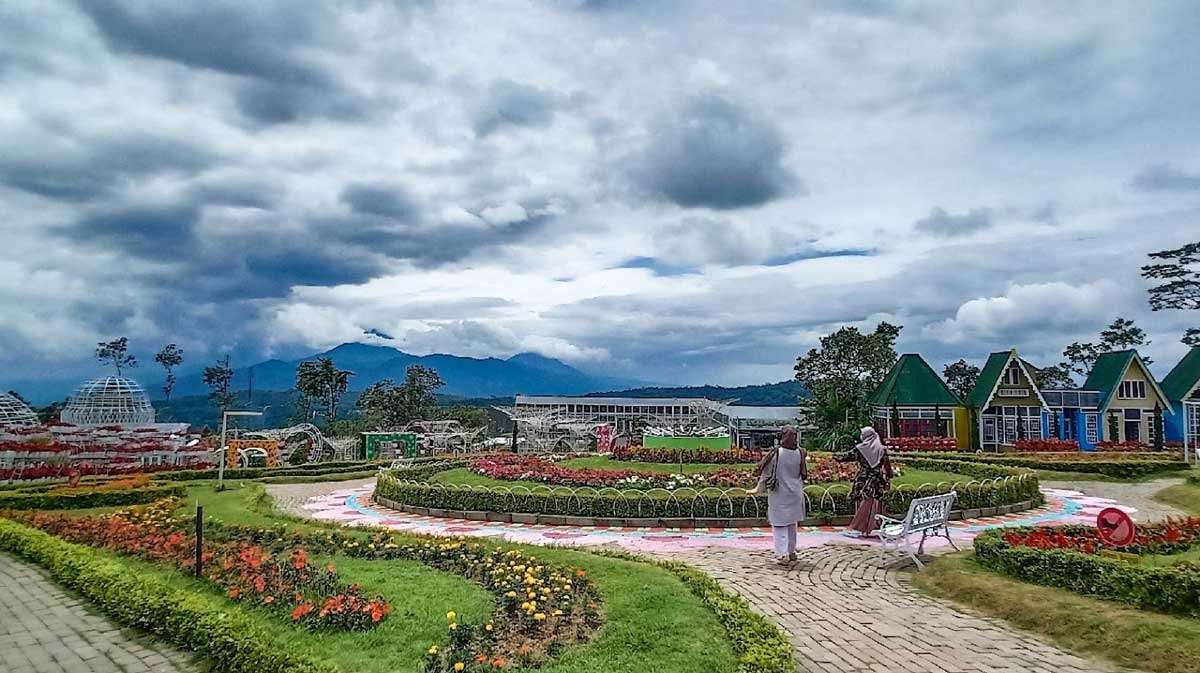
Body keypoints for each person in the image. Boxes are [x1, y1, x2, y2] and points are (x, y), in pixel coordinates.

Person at [746, 427, 807, 564]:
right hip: (796, 492)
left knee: (779, 524)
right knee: (792, 523)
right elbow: (803, 473)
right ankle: (791, 552)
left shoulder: (776, 453)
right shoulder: (800, 452)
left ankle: (782, 553)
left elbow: (766, 473)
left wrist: (757, 489)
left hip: (779, 493)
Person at [836, 426, 894, 537]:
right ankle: (873, 525)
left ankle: (860, 526)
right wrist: (889, 476)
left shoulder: (860, 449)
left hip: (863, 479)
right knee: (875, 501)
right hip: (877, 480)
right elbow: (887, 466)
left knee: (862, 501)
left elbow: (846, 457)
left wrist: (834, 457)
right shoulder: (881, 449)